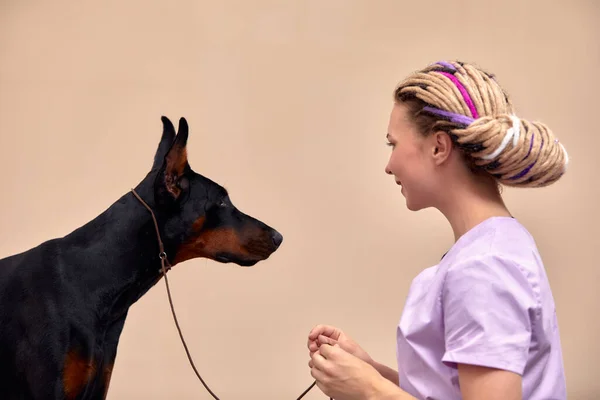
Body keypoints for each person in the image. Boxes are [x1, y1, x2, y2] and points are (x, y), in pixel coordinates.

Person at [306, 60, 569, 400]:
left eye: (393, 144)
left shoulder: (484, 267)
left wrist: (369, 390)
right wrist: (370, 371)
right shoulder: (491, 248)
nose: (389, 166)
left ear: (438, 147)